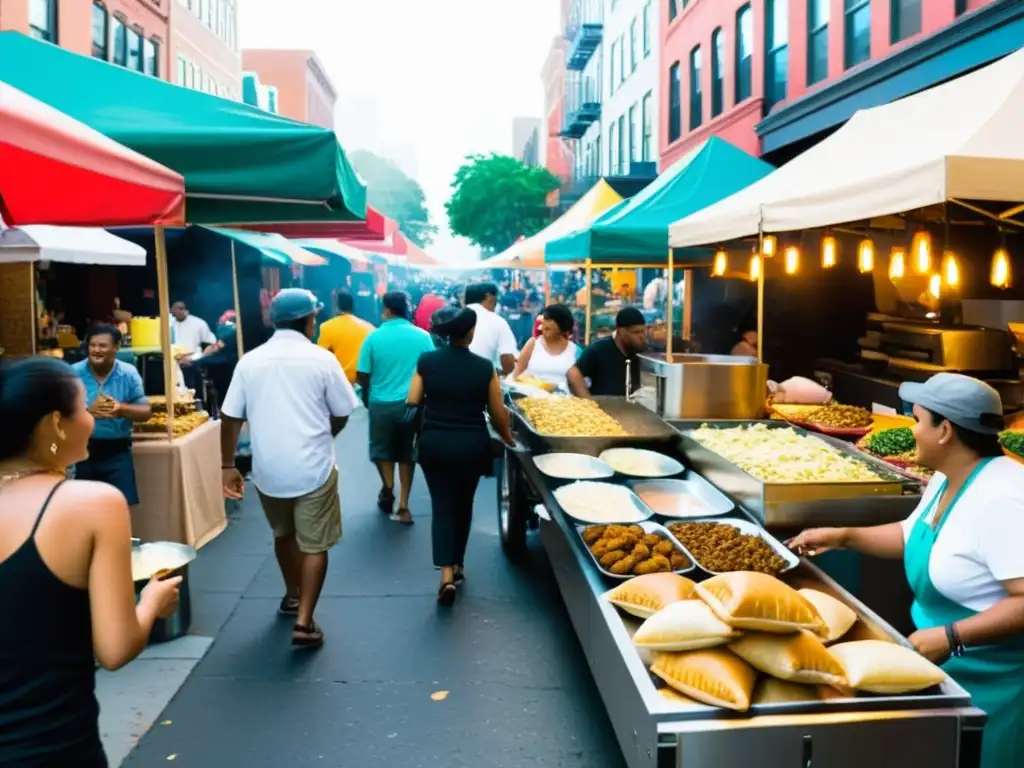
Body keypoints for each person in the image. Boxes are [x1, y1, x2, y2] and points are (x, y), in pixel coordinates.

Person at [788, 373, 1024, 768]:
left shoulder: (1004, 498)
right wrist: (845, 536)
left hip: (991, 685)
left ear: (945, 430)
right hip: (941, 668)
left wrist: (951, 636)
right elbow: (912, 536)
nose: (911, 429)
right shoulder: (947, 477)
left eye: (917, 419)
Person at [0, 357, 181, 767]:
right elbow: (115, 649)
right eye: (82, 408)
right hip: (53, 748)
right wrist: (152, 601)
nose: (90, 419)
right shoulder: (92, 503)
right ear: (53, 425)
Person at [220, 289, 358, 649]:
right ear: (309, 321)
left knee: (283, 534)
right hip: (314, 467)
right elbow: (343, 410)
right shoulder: (321, 360)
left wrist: (226, 465)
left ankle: (292, 595)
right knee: (315, 544)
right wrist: (329, 433)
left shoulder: (250, 361)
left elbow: (230, 416)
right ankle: (304, 622)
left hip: (268, 471)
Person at [407, 307, 515, 606]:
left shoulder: (426, 362)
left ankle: (445, 576)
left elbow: (412, 401)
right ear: (470, 333)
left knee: (442, 505)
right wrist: (508, 438)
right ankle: (458, 565)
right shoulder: (484, 368)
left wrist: (417, 426)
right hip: (471, 445)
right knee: (463, 503)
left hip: (435, 444)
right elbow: (497, 414)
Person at [356, 292, 435, 524]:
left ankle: (388, 487)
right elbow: (431, 369)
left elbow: (362, 375)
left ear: (387, 310)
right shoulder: (423, 337)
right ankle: (403, 506)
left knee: (382, 450)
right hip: (413, 405)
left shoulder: (373, 338)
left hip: (380, 404)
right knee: (407, 454)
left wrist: (370, 394)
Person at [72, 325, 152, 505]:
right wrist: (87, 413)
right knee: (83, 509)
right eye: (92, 345)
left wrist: (121, 409)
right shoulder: (72, 374)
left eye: (102, 346)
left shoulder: (128, 373)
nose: (96, 350)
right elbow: (57, 416)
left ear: (116, 347)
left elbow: (145, 412)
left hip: (117, 452)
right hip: (81, 452)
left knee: (121, 506)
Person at [567, 307, 648, 397]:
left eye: (643, 331)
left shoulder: (639, 353)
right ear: (621, 331)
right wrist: (588, 401)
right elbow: (573, 373)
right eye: (636, 332)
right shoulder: (599, 350)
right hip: (603, 408)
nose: (642, 336)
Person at [512, 304, 578, 389]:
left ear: (562, 329)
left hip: (562, 400)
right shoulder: (533, 344)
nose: (542, 329)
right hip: (532, 399)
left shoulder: (574, 350)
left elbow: (578, 383)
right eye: (542, 326)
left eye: (547, 329)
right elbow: (516, 374)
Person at [317, 290, 373, 385]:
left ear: (336, 306)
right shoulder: (370, 328)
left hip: (338, 384)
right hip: (363, 385)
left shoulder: (326, 327)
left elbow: (320, 359)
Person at [465, 282, 518, 375]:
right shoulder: (497, 321)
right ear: (489, 297)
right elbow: (508, 361)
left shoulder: (453, 316)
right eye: (496, 299)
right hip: (483, 381)